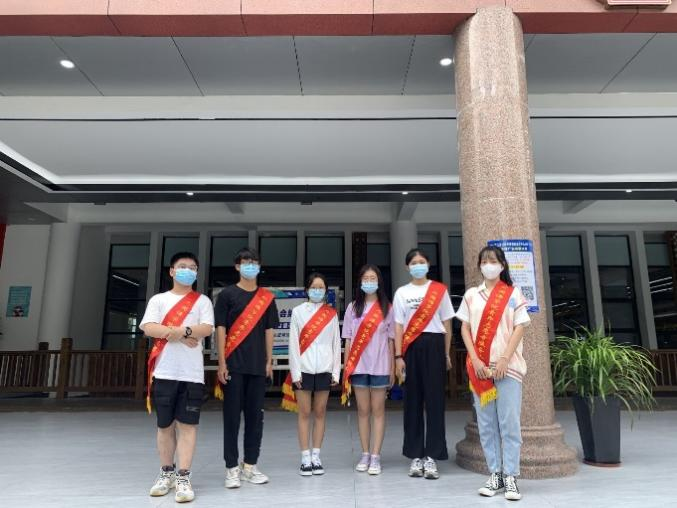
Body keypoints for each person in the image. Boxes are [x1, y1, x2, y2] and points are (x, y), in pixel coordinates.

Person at [455, 245, 530, 501]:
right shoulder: (471, 295)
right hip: (481, 370)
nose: (489, 265)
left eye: (493, 260)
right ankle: (495, 473)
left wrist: (505, 359)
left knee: (509, 424)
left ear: (502, 265)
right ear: (479, 265)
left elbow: (520, 327)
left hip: (508, 369)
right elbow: (464, 328)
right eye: (485, 261)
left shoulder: (513, 293)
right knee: (487, 425)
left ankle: (511, 476)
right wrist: (476, 360)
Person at [140, 251, 215, 503]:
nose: (187, 271)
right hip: (164, 371)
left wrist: (177, 331)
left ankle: (183, 476)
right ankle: (166, 473)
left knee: (188, 426)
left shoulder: (202, 301)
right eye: (182, 266)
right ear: (172, 271)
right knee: (164, 426)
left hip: (192, 375)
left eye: (192, 268)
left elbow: (206, 328)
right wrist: (184, 335)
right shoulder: (159, 300)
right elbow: (149, 327)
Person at [214, 247, 279, 488]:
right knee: (231, 419)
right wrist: (222, 362)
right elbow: (220, 329)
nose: (250, 266)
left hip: (257, 366)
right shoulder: (227, 295)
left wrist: (269, 361)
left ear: (259, 267)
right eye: (246, 262)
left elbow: (270, 330)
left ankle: (250, 466)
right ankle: (231, 468)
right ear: (237, 266)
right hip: (233, 365)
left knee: (255, 419)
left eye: (254, 262)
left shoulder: (266, 298)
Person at [393, 248, 454, 480]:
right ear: (407, 267)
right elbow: (398, 326)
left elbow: (447, 324)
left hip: (434, 345)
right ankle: (415, 455)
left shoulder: (439, 290)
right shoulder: (402, 292)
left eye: (422, 261)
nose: (418, 265)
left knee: (435, 401)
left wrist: (446, 353)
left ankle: (432, 456)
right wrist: (398, 356)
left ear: (428, 264)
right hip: (410, 347)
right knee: (413, 401)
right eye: (413, 262)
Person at [282, 272, 341, 476]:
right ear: (307, 290)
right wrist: (295, 372)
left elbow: (336, 343)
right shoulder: (298, 312)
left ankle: (316, 455)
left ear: (326, 291)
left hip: (325, 369)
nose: (317, 290)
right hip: (303, 369)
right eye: (314, 287)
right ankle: (305, 457)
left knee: (321, 412)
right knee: (305, 412)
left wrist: (336, 371)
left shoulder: (331, 314)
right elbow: (293, 344)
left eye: (321, 287)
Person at [341, 264, 395, 475]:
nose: (369, 282)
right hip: (358, 366)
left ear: (379, 281)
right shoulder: (352, 308)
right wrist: (346, 367)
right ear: (360, 282)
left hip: (380, 366)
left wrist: (392, 368)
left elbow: (391, 340)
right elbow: (348, 339)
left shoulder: (387, 308)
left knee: (378, 410)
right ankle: (365, 454)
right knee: (363, 411)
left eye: (373, 278)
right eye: (366, 278)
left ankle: (376, 456)